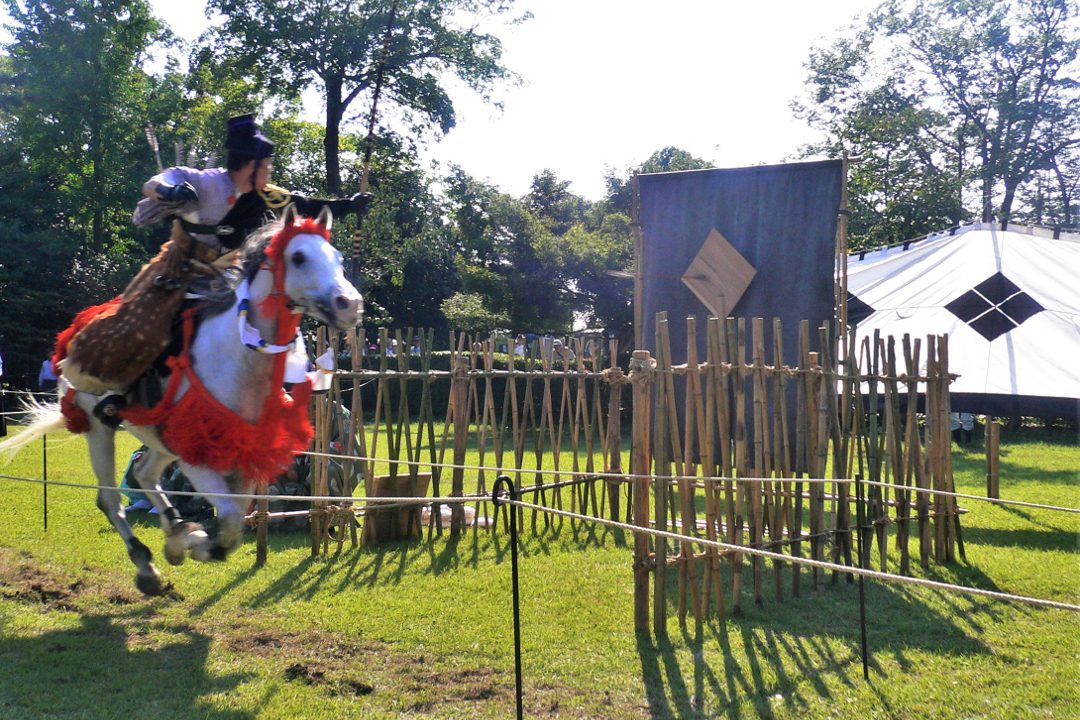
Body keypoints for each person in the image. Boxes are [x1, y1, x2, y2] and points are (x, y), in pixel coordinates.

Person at [66, 113, 372, 425]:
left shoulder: (268, 196)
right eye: (265, 165)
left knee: (272, 319)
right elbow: (156, 183)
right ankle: (119, 393)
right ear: (248, 165)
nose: (270, 171)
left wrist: (350, 205)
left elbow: (310, 206)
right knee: (148, 324)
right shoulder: (206, 182)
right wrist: (173, 192)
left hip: (230, 277)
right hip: (182, 271)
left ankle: (269, 394)